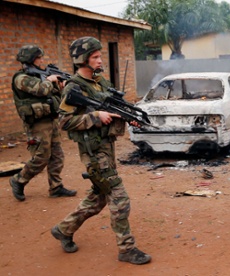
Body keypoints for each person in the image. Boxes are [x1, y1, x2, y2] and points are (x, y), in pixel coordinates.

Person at [50, 36, 151, 265]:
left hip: (106, 149)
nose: (99, 60)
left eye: (99, 56)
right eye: (95, 57)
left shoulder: (99, 82)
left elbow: (112, 110)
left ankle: (63, 229)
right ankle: (126, 248)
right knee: (119, 197)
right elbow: (64, 122)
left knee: (98, 199)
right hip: (93, 153)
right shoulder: (74, 88)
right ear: (82, 59)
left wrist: (127, 119)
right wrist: (95, 116)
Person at [9, 45, 77, 201]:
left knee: (57, 155)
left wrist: (60, 86)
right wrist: (50, 80)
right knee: (41, 157)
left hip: (50, 119)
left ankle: (56, 187)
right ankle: (18, 180)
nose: (42, 61)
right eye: (39, 58)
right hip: (37, 123)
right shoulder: (21, 78)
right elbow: (41, 90)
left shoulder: (41, 76)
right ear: (31, 60)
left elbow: (54, 95)